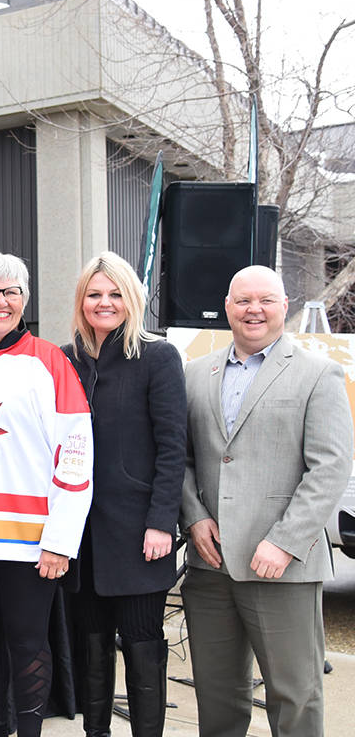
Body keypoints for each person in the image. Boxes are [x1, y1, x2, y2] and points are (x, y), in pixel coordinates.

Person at [181, 264, 352, 737]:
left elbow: (331, 466)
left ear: (284, 306)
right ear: (228, 308)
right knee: (217, 697)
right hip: (210, 567)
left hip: (282, 568)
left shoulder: (318, 374)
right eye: (243, 300)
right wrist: (194, 519)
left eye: (265, 300)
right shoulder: (196, 373)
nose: (254, 309)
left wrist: (284, 541)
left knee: (295, 696)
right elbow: (181, 457)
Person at [0, 250, 92, 737]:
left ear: (25, 300)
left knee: (27, 643)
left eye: (11, 291)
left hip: (32, 540)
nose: (0, 301)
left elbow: (76, 453)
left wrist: (61, 539)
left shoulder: (48, 360)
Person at [62, 251, 186, 737]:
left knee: (141, 644)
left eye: (115, 294)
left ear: (131, 298)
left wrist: (161, 522)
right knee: (91, 645)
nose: (104, 302)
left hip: (139, 534)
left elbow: (173, 446)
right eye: (94, 294)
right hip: (80, 535)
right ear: (81, 301)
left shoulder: (156, 356)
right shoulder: (65, 359)